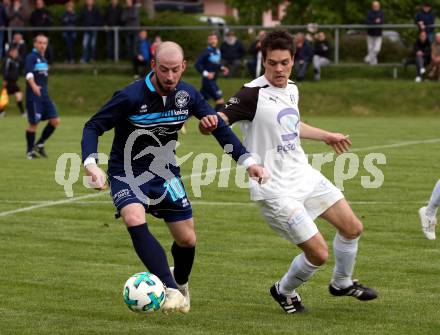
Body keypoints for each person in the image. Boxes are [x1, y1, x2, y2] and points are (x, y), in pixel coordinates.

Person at [81, 41, 267, 314]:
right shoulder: (130, 96)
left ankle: (180, 283)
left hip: (164, 173)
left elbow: (219, 129)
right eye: (164, 69)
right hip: (127, 173)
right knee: (134, 217)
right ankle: (169, 288)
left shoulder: (188, 95)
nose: (169, 77)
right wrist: (91, 164)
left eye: (175, 70)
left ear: (183, 68)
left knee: (187, 240)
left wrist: (248, 161)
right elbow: (93, 126)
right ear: (153, 66)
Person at [201, 29, 378, 314]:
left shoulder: (292, 88)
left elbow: (292, 126)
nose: (279, 69)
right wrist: (211, 122)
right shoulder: (251, 94)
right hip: (274, 189)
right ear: (264, 61)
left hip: (303, 175)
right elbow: (222, 118)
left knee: (352, 228)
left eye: (284, 62)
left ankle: (342, 283)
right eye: (273, 63)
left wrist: (326, 135)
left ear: (293, 60)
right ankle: (283, 290)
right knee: (318, 254)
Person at [24, 34, 60, 160]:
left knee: (55, 120)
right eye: (40, 43)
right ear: (34, 44)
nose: (42, 45)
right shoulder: (31, 57)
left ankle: (39, 143)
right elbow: (28, 74)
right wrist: (34, 86)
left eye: (44, 43)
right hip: (34, 97)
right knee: (34, 124)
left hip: (44, 96)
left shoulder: (43, 59)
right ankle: (29, 151)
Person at [195, 32, 229, 112]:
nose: (213, 41)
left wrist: (222, 68)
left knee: (197, 103)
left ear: (217, 40)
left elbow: (216, 63)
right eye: (211, 39)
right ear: (208, 41)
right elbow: (197, 65)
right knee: (220, 101)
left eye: (214, 39)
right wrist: (207, 74)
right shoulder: (206, 52)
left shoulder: (217, 51)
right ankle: (215, 120)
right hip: (208, 81)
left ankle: (183, 118)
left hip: (212, 81)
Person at [1, 47, 25, 117]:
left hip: (14, 82)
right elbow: (5, 70)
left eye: (17, 53)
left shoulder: (16, 60)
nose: (16, 54)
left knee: (18, 95)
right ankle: (22, 112)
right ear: (11, 52)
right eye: (15, 52)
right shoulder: (8, 60)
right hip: (9, 81)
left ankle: (22, 112)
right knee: (5, 97)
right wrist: (5, 80)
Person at [364, 1, 384, 65]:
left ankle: (367, 58)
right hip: (370, 33)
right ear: (372, 6)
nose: (376, 7)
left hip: (378, 34)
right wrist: (375, 21)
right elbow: (367, 22)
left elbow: (382, 21)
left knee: (377, 49)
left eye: (377, 6)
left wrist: (377, 21)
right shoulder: (369, 13)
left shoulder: (381, 13)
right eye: (375, 6)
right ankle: (373, 64)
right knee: (370, 49)